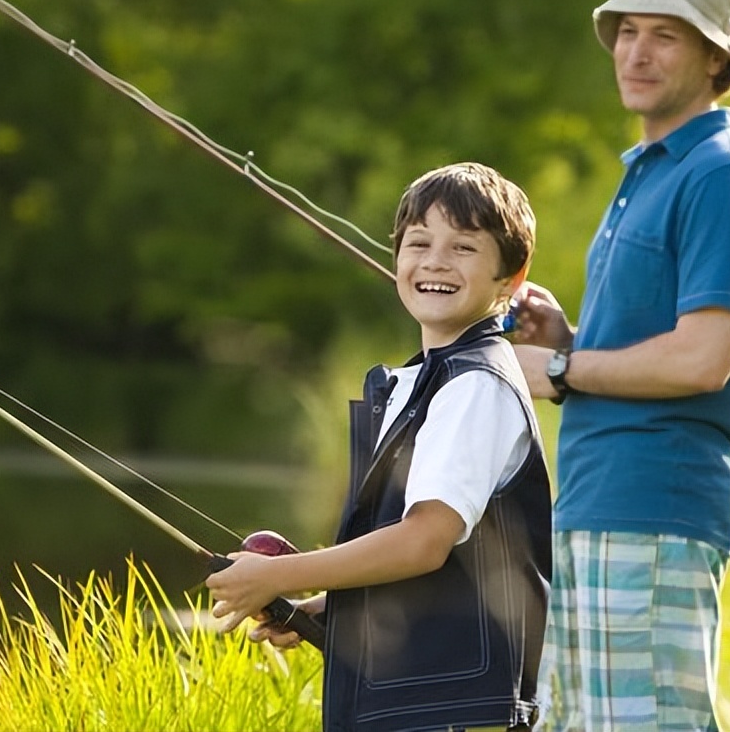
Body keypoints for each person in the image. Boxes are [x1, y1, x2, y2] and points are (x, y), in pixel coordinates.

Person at [510, 0, 730, 731]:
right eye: (628, 30)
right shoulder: (653, 170)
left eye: (665, 35)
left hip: (657, 505)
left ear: (714, 60)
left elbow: (706, 357)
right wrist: (569, 334)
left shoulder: (720, 174)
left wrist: (561, 365)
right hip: (601, 504)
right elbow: (648, 343)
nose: (636, 51)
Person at [207, 162, 552, 732]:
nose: (436, 260)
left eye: (464, 247)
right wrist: (328, 611)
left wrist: (280, 575)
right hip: (426, 705)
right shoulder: (428, 380)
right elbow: (440, 579)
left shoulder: (474, 386)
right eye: (419, 242)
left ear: (511, 278)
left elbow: (423, 543)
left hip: (455, 712)